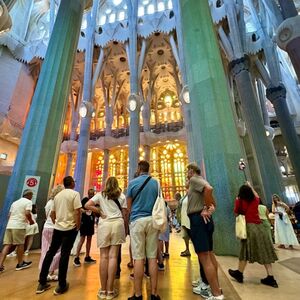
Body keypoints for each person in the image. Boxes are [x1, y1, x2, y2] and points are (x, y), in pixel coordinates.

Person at [36, 176, 81, 295]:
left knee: (50, 253)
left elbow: (52, 214)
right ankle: (61, 285)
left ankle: (42, 282)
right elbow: (77, 211)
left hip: (58, 228)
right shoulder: (75, 194)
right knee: (64, 255)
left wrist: (57, 222)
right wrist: (77, 225)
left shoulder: (57, 196)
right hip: (70, 228)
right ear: (72, 183)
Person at [228, 184, 278, 288]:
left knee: (245, 251)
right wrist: (250, 186)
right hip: (259, 227)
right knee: (265, 252)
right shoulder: (255, 199)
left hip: (249, 228)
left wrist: (238, 200)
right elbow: (257, 195)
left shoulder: (239, 200)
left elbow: (236, 213)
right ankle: (271, 277)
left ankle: (239, 274)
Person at [85, 177, 126, 300]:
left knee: (103, 257)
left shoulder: (100, 195)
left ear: (106, 184)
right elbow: (124, 213)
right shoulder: (122, 196)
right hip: (117, 224)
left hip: (105, 224)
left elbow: (87, 205)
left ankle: (102, 290)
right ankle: (110, 290)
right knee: (114, 257)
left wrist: (98, 210)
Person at [186, 163, 223, 300]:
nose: (186, 173)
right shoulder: (200, 180)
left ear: (192, 170)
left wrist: (207, 208)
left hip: (198, 219)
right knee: (209, 254)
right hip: (203, 219)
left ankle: (216, 294)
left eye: (187, 170)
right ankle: (216, 287)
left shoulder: (195, 179)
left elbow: (209, 189)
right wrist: (210, 207)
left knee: (205, 257)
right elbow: (208, 191)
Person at [126, 160, 161, 300]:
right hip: (152, 221)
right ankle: (154, 293)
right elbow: (159, 202)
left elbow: (128, 206)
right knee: (152, 258)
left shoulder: (132, 183)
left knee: (138, 258)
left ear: (139, 169)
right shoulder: (155, 183)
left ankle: (138, 294)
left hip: (137, 221)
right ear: (149, 169)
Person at [0, 189, 34, 272]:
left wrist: (11, 223)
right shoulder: (28, 202)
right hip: (19, 225)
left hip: (10, 225)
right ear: (29, 195)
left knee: (7, 245)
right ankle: (20, 263)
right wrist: (31, 221)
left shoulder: (14, 202)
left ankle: (0, 264)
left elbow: (9, 215)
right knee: (20, 244)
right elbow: (27, 213)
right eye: (31, 196)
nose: (32, 197)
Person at [38, 185, 64, 281]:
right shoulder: (60, 202)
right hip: (55, 228)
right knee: (57, 250)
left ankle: (44, 272)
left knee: (45, 250)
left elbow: (47, 214)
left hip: (46, 227)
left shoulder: (49, 202)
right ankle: (51, 272)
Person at [73, 188, 96, 267]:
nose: (91, 195)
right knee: (82, 239)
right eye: (90, 193)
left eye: (92, 194)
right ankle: (76, 257)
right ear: (88, 193)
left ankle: (87, 256)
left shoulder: (95, 201)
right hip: (84, 222)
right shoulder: (84, 200)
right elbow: (80, 209)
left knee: (89, 239)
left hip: (91, 222)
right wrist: (85, 211)